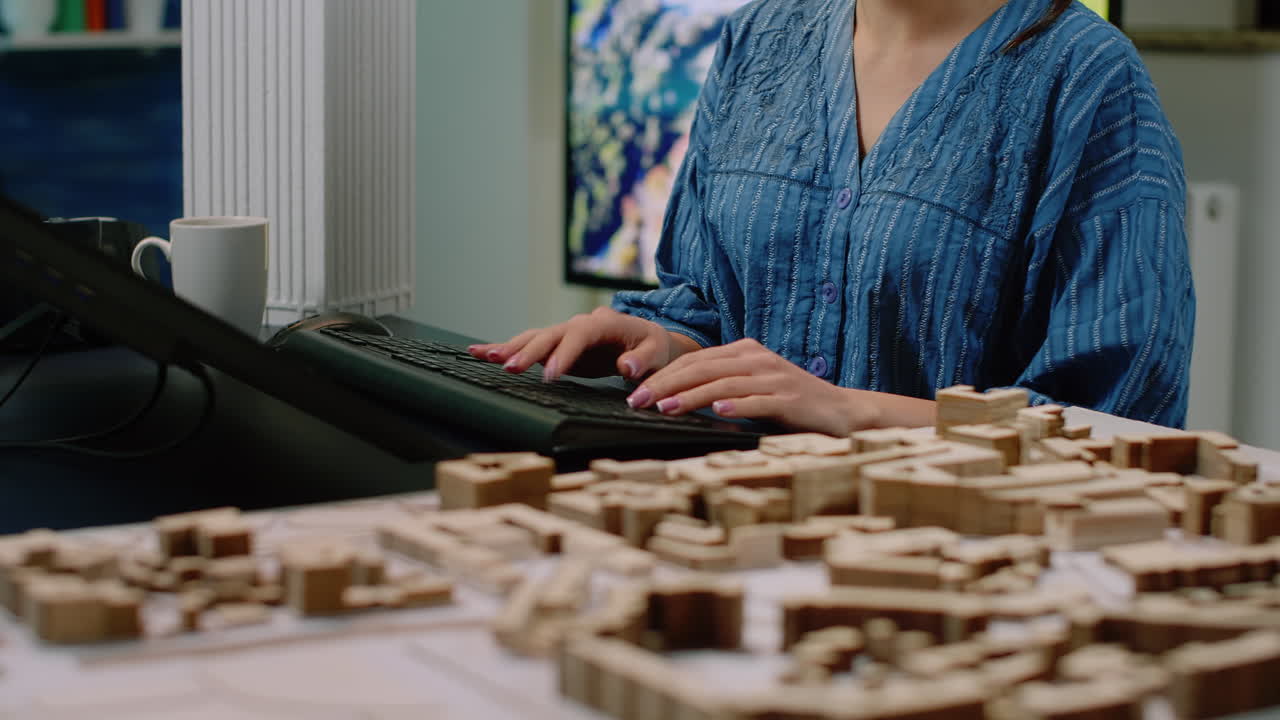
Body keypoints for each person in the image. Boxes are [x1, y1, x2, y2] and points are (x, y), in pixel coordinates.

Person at [469, 0, 1193, 436]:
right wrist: (663, 344)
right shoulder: (758, 41)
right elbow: (710, 306)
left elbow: (1119, 428)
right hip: (731, 531)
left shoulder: (1090, 81)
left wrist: (857, 413)